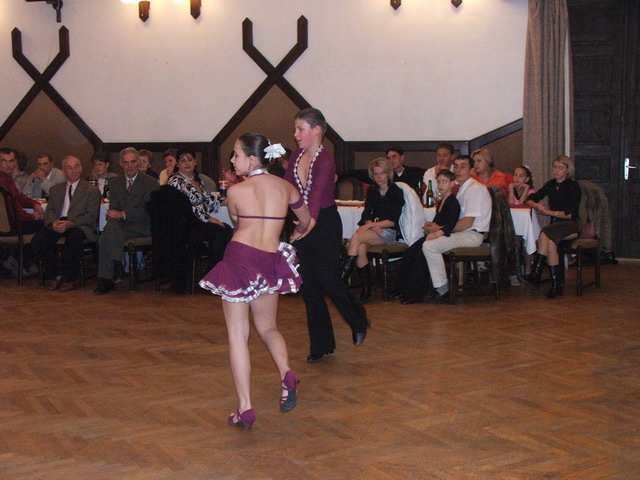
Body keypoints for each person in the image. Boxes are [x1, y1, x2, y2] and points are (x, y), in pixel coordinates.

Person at [199, 133, 312, 430]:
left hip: (240, 258)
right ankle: (286, 372)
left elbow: (238, 223)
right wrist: (297, 232)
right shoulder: (286, 187)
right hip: (269, 259)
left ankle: (245, 407)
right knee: (269, 327)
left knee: (238, 336)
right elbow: (306, 220)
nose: (233, 160)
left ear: (251, 159)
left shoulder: (236, 191)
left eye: (236, 155)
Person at [284, 107, 369, 363]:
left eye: (300, 129)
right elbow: (287, 189)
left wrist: (299, 230)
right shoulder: (296, 156)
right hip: (303, 221)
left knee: (329, 280)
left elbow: (315, 203)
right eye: (296, 129)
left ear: (316, 130)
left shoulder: (325, 162)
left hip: (323, 224)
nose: (296, 134)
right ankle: (321, 345)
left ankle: (358, 319)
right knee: (309, 286)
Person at [422, 155, 492, 304]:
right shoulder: (461, 189)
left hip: (473, 235)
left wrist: (439, 229)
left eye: (463, 166)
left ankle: (442, 289)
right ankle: (432, 286)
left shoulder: (475, 189)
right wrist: (435, 227)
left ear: (472, 170)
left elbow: (467, 223)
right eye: (456, 166)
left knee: (430, 245)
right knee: (427, 241)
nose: (458, 170)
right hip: (464, 233)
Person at [94, 147, 159, 294]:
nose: (129, 166)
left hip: (141, 226)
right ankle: (114, 270)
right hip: (120, 226)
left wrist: (123, 214)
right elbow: (114, 207)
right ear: (120, 164)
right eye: (126, 162)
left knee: (105, 237)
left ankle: (108, 277)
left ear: (138, 162)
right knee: (111, 229)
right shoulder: (115, 182)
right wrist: (114, 214)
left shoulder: (150, 182)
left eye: (133, 162)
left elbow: (148, 211)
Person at [31, 156, 100, 292]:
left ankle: (70, 278)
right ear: (63, 171)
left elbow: (91, 216)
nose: (74, 170)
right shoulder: (55, 189)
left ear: (81, 168)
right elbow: (50, 211)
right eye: (69, 167)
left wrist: (71, 223)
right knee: (38, 240)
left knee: (73, 240)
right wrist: (52, 223)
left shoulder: (91, 190)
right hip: (58, 222)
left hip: (79, 225)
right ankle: (55, 275)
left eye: (76, 166)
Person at [341, 158, 404, 303]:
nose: (379, 177)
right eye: (376, 174)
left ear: (388, 174)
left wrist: (372, 225)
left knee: (356, 237)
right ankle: (366, 289)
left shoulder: (396, 192)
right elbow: (366, 214)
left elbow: (392, 220)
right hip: (374, 230)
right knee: (360, 248)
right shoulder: (372, 191)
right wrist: (371, 224)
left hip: (389, 232)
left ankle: (342, 279)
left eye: (382, 173)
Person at [393, 169, 461, 304]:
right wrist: (430, 225)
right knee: (410, 252)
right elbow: (439, 220)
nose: (441, 185)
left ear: (453, 183)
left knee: (420, 256)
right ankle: (403, 289)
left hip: (443, 236)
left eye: (444, 182)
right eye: (439, 182)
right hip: (435, 234)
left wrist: (435, 232)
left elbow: (450, 225)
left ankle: (415, 294)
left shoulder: (453, 202)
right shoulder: (442, 201)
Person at [524, 155, 581, 299]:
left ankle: (536, 273)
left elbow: (571, 214)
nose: (557, 170)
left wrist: (549, 212)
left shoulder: (573, 186)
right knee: (550, 242)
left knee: (545, 232)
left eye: (561, 168)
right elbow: (529, 199)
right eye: (555, 167)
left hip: (571, 224)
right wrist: (537, 205)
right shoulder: (550, 184)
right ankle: (556, 286)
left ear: (567, 170)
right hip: (555, 226)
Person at [168, 146, 232, 270]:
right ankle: (212, 272)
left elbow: (205, 198)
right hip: (186, 224)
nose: (187, 163)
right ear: (178, 164)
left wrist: (223, 201)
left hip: (199, 222)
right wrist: (209, 219)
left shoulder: (197, 179)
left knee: (227, 229)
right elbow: (187, 207)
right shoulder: (176, 181)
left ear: (195, 162)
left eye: (190, 159)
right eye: (183, 160)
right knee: (220, 233)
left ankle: (220, 270)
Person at [0, 147, 44, 276]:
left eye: (11, 161)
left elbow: (18, 197)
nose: (8, 165)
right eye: (4, 161)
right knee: (44, 225)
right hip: (9, 227)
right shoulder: (3, 182)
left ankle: (17, 259)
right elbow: (15, 212)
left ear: (15, 162)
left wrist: (34, 203)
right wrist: (32, 216)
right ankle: (22, 260)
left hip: (6, 226)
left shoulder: (6, 178)